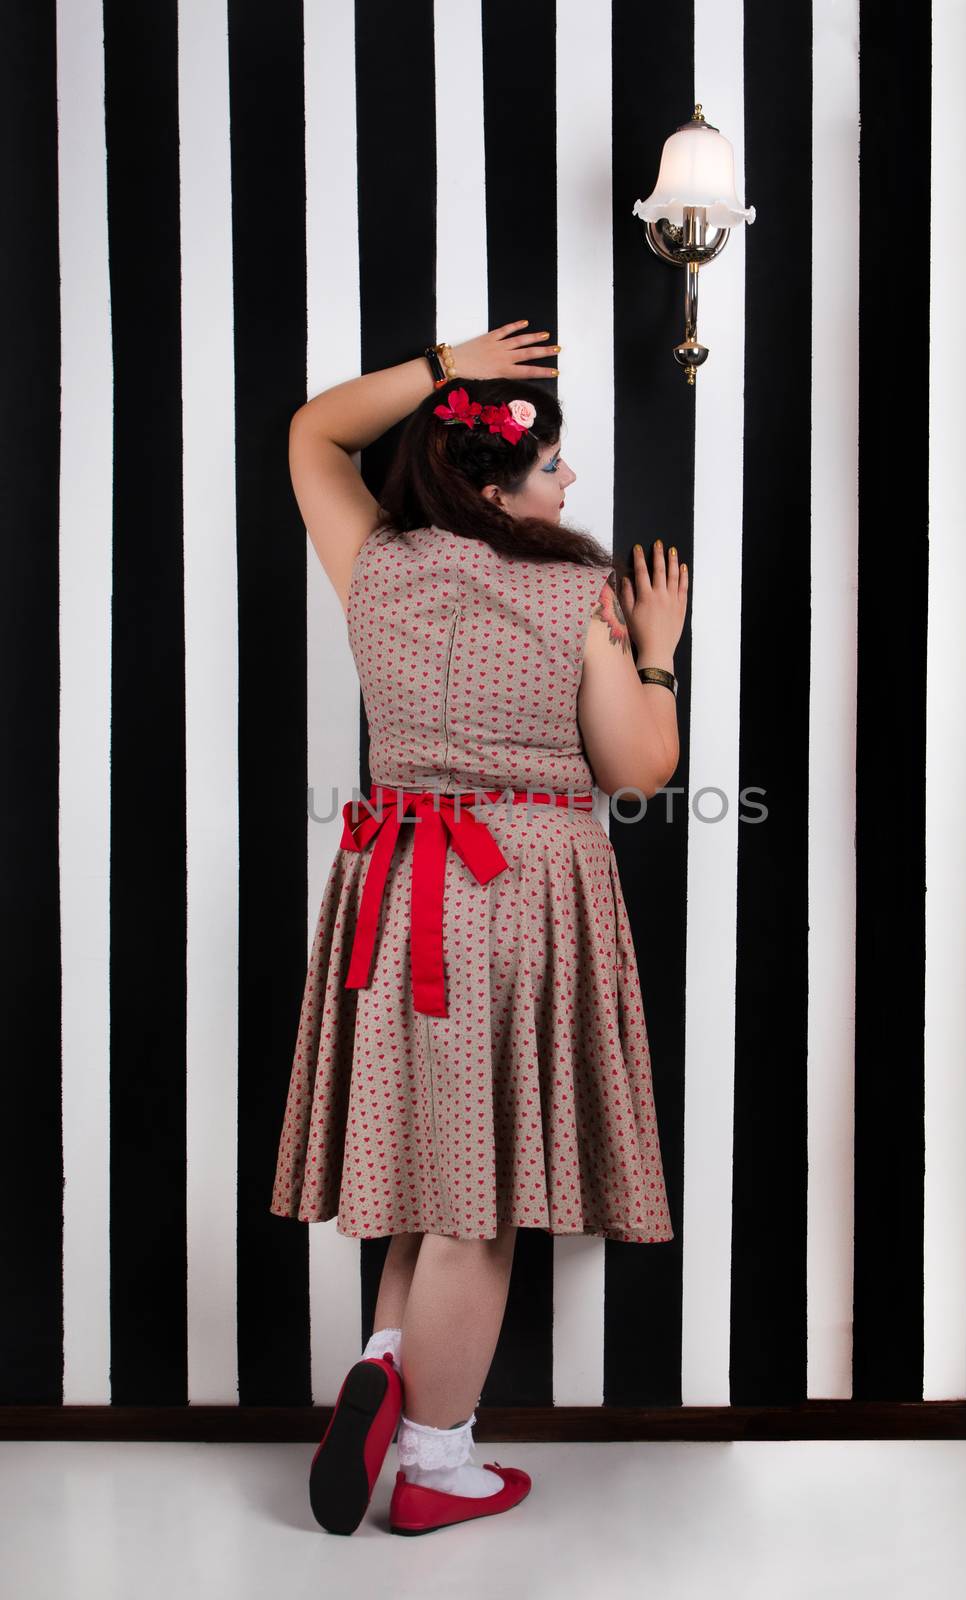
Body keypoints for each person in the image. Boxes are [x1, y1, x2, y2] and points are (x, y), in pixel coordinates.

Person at [269, 320, 688, 1536]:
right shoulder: (576, 594)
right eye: (553, 466)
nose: (570, 483)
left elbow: (310, 432)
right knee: (477, 1205)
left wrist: (444, 366)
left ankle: (388, 1359)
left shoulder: (377, 563)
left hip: (395, 884)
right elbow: (640, 768)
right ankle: (436, 1468)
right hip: (520, 890)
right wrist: (656, 658)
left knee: (427, 1167)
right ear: (499, 484)